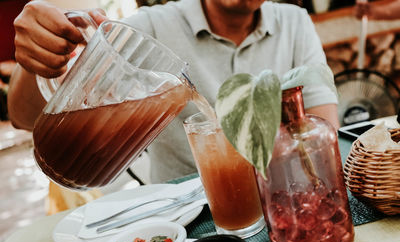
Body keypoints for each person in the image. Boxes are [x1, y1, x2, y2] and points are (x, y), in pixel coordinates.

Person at [8, 0, 340, 183]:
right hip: (178, 217)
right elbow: (23, 117)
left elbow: (323, 131)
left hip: (278, 192)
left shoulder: (295, 22)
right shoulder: (152, 27)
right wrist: (39, 56)